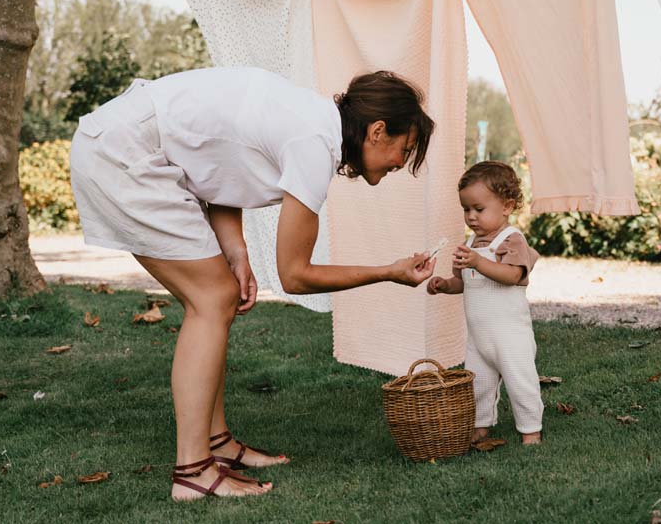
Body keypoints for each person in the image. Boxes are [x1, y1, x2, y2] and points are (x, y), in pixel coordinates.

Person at [69, 66, 437, 501]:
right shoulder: (314, 142)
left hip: (125, 143)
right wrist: (388, 272)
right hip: (124, 154)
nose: (400, 162)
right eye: (404, 148)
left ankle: (217, 444)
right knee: (212, 298)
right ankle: (192, 472)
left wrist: (237, 250)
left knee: (218, 295)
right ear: (378, 131)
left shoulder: (312, 121)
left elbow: (215, 164)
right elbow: (295, 276)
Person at [427, 161, 544, 445]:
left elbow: (512, 275)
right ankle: (480, 425)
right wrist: (445, 285)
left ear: (506, 206)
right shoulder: (471, 243)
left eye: (479, 209)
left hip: (509, 335)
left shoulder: (511, 240)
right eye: (466, 209)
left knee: (521, 381)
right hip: (479, 337)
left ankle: (531, 430)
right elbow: (464, 282)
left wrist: (479, 262)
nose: (471, 217)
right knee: (478, 383)